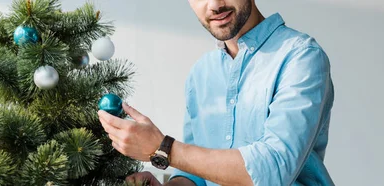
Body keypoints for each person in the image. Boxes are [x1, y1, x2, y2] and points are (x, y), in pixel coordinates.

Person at [97, 0, 335, 185]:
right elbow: (197, 176)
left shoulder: (301, 56)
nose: (214, 5)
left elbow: (273, 170)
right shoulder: (201, 73)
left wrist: (163, 148)